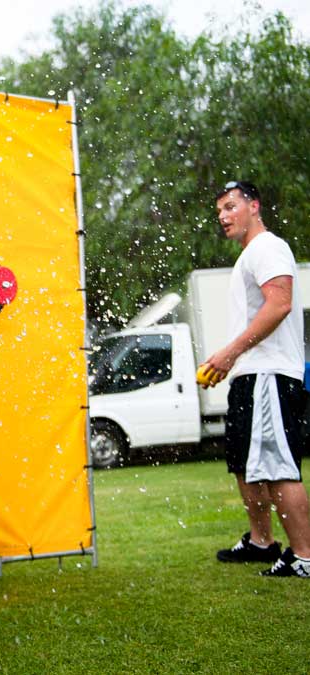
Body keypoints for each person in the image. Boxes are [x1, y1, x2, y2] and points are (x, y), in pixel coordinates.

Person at [202, 180, 310, 578]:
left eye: (231, 207)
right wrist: (232, 361)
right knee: (245, 464)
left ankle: (305, 556)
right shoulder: (249, 256)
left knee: (278, 466)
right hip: (250, 373)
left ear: (254, 206)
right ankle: (262, 541)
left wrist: (230, 352)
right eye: (220, 212)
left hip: (269, 373)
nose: (224, 217)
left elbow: (279, 303)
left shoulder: (268, 247)